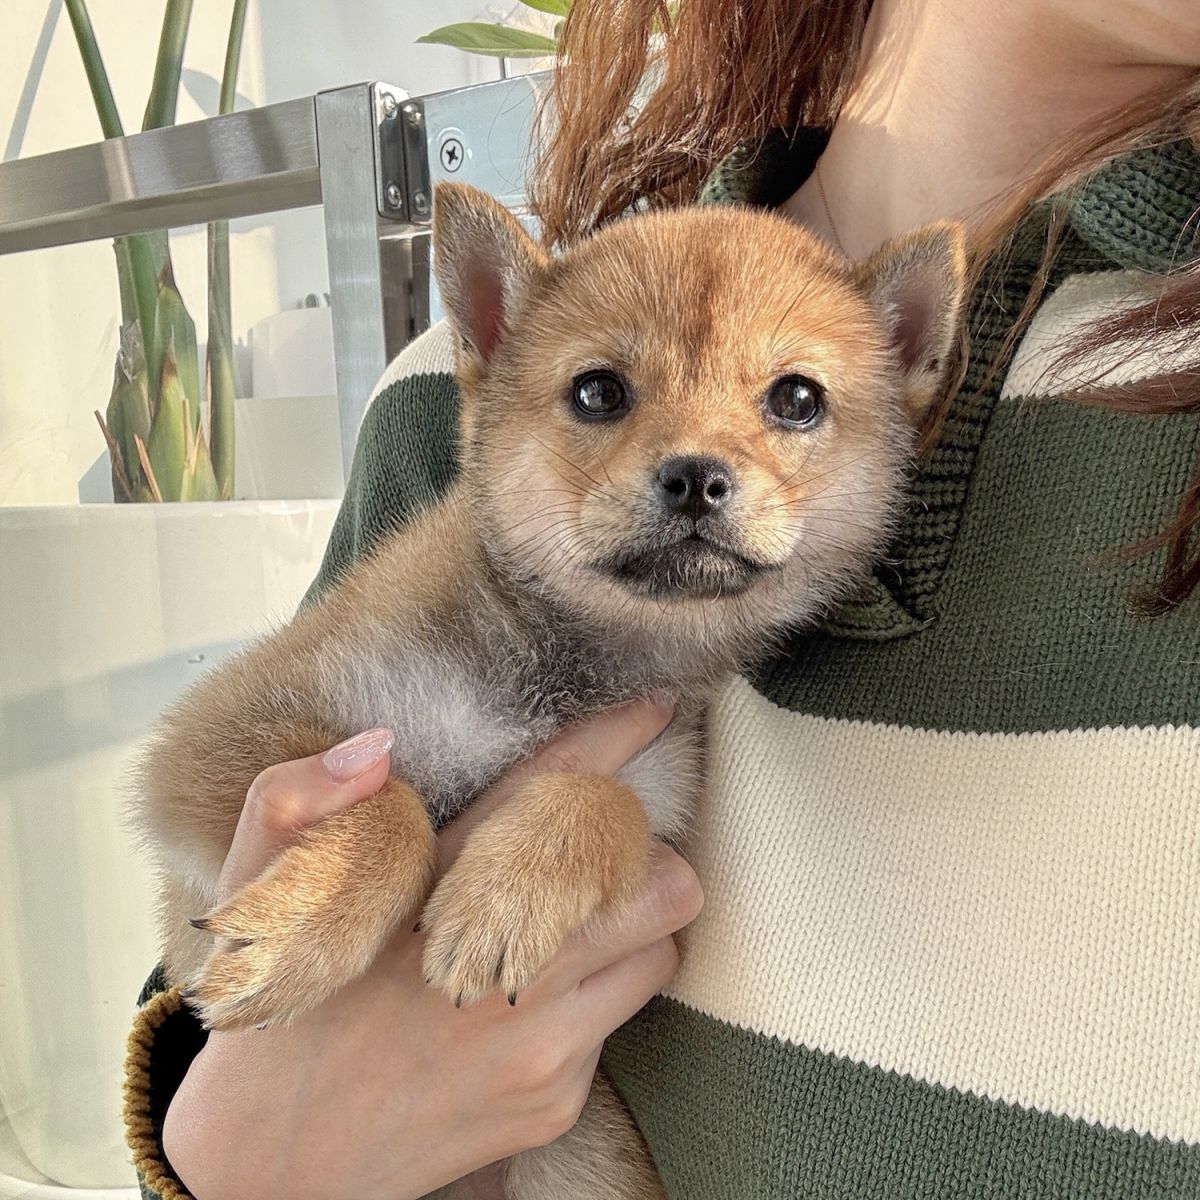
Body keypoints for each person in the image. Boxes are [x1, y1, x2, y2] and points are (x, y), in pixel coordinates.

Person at [124, 1, 1200, 1196]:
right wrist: (242, 1149)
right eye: (600, 396)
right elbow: (214, 916)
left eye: (794, 402)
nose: (699, 462)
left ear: (910, 358)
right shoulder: (441, 425)